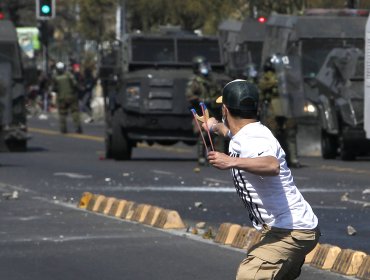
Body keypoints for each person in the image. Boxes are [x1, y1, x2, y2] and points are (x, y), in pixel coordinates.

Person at [203, 79, 320, 280]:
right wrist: (211, 124)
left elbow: (270, 165)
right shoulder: (245, 132)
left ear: (225, 109)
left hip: (290, 231)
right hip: (286, 229)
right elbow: (226, 131)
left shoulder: (254, 138)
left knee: (249, 276)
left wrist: (229, 161)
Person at [258, 55, 300, 168]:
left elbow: (297, 84)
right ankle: (274, 158)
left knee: (290, 132)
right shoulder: (267, 76)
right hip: (273, 106)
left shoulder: (288, 75)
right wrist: (276, 80)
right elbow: (262, 86)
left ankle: (293, 158)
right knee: (272, 133)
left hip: (287, 106)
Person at [186, 56, 224, 165]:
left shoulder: (212, 80)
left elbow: (218, 91)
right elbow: (190, 95)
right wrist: (200, 100)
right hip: (201, 111)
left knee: (216, 133)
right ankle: (201, 156)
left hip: (213, 110)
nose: (205, 68)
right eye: (202, 66)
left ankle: (215, 156)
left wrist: (216, 100)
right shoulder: (195, 81)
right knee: (203, 133)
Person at [53, 62, 83, 134]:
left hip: (62, 98)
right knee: (75, 112)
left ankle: (63, 129)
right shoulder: (69, 75)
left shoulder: (55, 77)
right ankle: (78, 127)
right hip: (71, 96)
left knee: (62, 113)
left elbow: (54, 88)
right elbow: (75, 84)